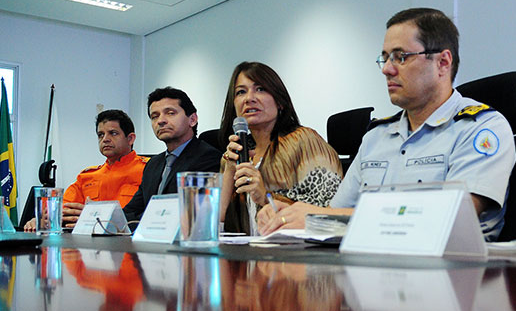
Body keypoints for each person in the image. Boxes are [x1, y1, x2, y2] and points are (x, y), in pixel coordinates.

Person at [257, 8, 516, 240]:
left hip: (452, 271)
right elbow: (335, 212)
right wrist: (289, 213)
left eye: (401, 57)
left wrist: (319, 217)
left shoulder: (480, 128)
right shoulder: (376, 138)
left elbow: (451, 219)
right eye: (385, 58)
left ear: (442, 63)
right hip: (368, 268)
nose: (387, 69)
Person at [218, 61, 343, 234]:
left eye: (260, 89)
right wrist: (229, 171)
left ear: (280, 102)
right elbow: (215, 223)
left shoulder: (304, 141)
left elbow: (329, 212)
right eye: (241, 92)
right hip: (247, 248)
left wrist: (266, 197)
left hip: (296, 248)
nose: (249, 98)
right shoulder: (235, 153)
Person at [23, 109, 147, 231]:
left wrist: (92, 217)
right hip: (86, 241)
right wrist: (42, 220)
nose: (105, 139)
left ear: (130, 139)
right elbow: (60, 210)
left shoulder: (148, 170)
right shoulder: (87, 176)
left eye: (113, 133)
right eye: (101, 135)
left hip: (127, 239)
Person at [123, 87, 221, 223]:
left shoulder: (209, 158)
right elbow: (130, 211)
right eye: (154, 116)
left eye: (170, 113)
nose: (160, 121)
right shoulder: (153, 164)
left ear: (192, 119)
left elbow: (190, 214)